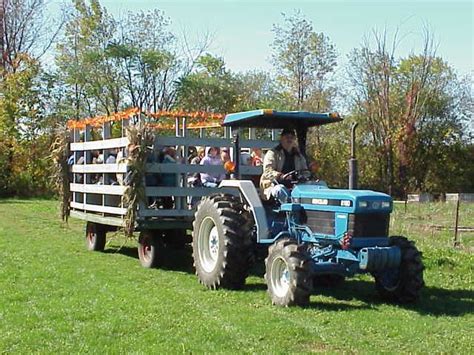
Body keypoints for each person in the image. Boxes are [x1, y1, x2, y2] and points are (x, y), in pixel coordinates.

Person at [260, 128, 307, 202]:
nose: (289, 139)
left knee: (319, 185)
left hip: (295, 185)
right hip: (274, 185)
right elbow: (268, 171)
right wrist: (281, 176)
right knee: (280, 190)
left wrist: (305, 176)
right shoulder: (272, 153)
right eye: (287, 137)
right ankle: (289, 212)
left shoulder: (299, 156)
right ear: (281, 139)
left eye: (292, 137)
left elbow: (305, 171)